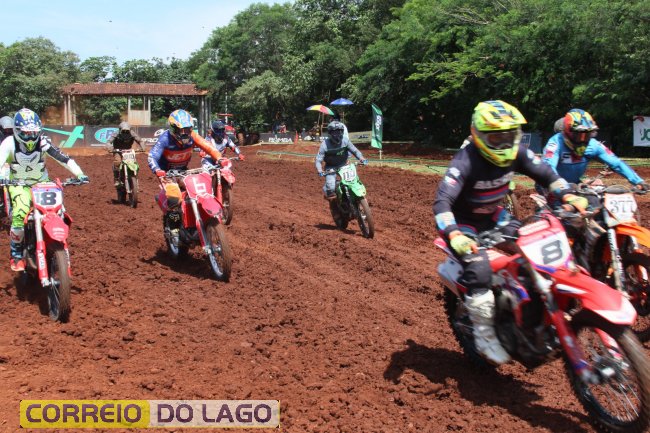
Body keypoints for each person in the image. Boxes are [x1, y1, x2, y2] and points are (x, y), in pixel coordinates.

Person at [433, 100, 585, 365]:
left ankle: (536, 312)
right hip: (465, 223)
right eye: (496, 136)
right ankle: (485, 335)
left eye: (509, 136)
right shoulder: (465, 161)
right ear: (478, 134)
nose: (504, 143)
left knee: (536, 252)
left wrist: (566, 192)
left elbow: (546, 173)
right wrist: (455, 234)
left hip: (496, 217)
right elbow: (442, 201)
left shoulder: (519, 153)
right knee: (479, 269)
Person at [0, 108, 89, 271]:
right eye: (26, 133)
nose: (30, 136)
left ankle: (55, 244)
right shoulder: (9, 143)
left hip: (42, 184)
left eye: (34, 132)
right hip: (19, 185)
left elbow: (63, 158)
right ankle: (16, 254)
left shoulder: (43, 142)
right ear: (17, 131)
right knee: (20, 212)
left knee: (59, 211)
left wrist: (80, 173)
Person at [148, 109, 222, 246]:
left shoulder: (193, 136)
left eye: (188, 129)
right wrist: (157, 170)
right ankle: (174, 230)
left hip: (183, 171)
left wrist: (219, 158)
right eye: (182, 130)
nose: (186, 133)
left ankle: (198, 220)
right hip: (167, 174)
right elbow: (152, 156)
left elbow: (209, 147)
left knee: (198, 190)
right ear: (174, 129)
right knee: (174, 197)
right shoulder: (165, 139)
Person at [539, 109, 649, 192]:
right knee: (563, 215)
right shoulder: (555, 143)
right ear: (568, 132)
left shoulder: (593, 145)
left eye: (587, 135)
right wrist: (562, 187)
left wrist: (638, 181)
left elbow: (616, 163)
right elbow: (548, 169)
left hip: (576, 185)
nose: (583, 140)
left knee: (598, 208)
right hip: (549, 185)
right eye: (579, 135)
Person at [315, 120, 368, 200]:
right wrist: (320, 170)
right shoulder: (324, 145)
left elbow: (355, 151)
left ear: (342, 132)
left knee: (353, 181)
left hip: (344, 164)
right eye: (334, 132)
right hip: (331, 167)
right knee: (331, 187)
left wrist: (361, 158)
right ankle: (327, 191)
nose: (337, 135)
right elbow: (318, 160)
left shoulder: (345, 140)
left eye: (339, 132)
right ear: (330, 133)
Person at [107, 121, 145, 186]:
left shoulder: (132, 133)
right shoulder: (116, 133)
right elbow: (109, 142)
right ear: (120, 130)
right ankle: (116, 179)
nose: (125, 132)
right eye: (123, 131)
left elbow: (140, 140)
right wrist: (110, 148)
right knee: (118, 162)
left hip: (128, 151)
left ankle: (133, 175)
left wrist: (142, 148)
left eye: (127, 131)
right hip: (118, 150)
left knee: (133, 162)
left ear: (130, 129)